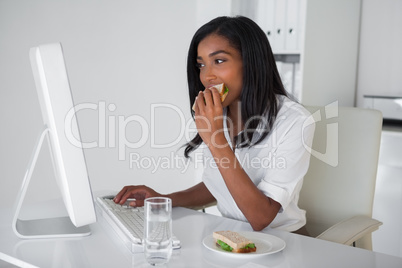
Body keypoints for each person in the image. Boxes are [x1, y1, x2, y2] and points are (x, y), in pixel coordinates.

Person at [113, 16, 315, 232]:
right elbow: (219, 185)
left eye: (219, 61)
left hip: (285, 241)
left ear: (251, 62)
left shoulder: (295, 121)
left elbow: (261, 217)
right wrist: (164, 199)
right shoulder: (220, 114)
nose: (207, 76)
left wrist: (216, 139)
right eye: (201, 65)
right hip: (234, 237)